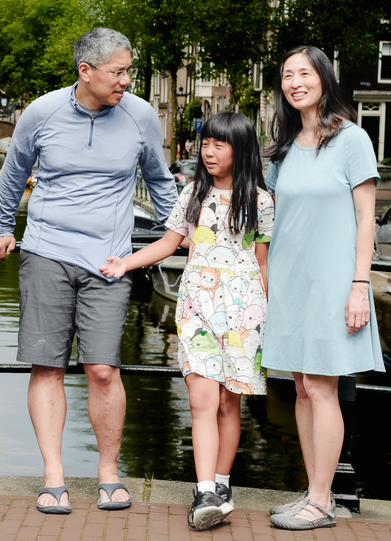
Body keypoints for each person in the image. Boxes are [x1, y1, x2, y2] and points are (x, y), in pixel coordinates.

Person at [0, 28, 177, 515]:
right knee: (47, 365)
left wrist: (182, 235)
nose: (127, 81)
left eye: (129, 70)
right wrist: (1, 226)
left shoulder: (141, 117)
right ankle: (53, 476)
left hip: (109, 261)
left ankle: (108, 473)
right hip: (46, 252)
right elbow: (13, 174)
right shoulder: (41, 113)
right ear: (85, 71)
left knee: (104, 370)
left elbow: (159, 181)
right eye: (119, 71)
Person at [101, 111, 272, 530]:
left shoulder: (262, 202)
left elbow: (263, 263)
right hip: (197, 307)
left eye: (220, 144)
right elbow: (167, 243)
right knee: (202, 401)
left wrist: (269, 314)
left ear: (242, 149)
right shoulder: (193, 193)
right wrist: (125, 263)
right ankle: (204, 490)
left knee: (230, 402)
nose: (208, 151)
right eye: (206, 143)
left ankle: (222, 482)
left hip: (242, 312)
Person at [262, 46, 384, 531]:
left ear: (324, 79)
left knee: (323, 387)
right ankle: (314, 492)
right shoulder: (287, 144)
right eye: (287, 75)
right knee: (301, 388)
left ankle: (321, 499)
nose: (295, 82)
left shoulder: (351, 140)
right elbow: (274, 217)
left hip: (333, 281)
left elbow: (366, 218)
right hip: (290, 283)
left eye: (304, 74)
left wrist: (359, 284)